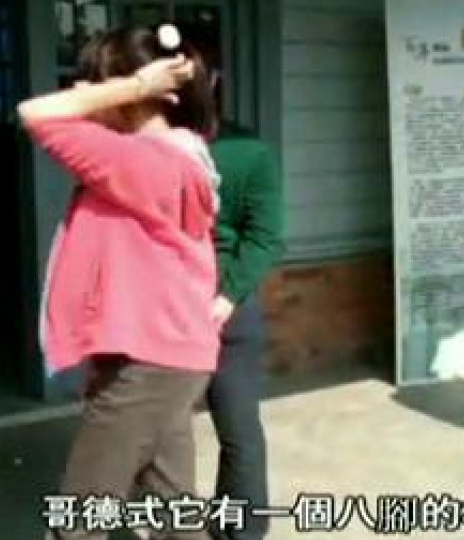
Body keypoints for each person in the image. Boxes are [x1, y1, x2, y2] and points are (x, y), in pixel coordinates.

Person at [18, 26, 220, 539]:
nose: (85, 93)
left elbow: (35, 113)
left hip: (149, 363)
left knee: (78, 521)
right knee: (174, 510)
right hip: (164, 355)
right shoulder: (174, 154)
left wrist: (134, 86)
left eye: (95, 81)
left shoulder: (142, 160)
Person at [201, 56, 285, 540]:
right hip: (183, 308)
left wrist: (228, 294)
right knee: (165, 439)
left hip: (222, 309)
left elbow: (265, 236)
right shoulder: (147, 146)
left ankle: (236, 528)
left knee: (236, 433)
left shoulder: (247, 151)